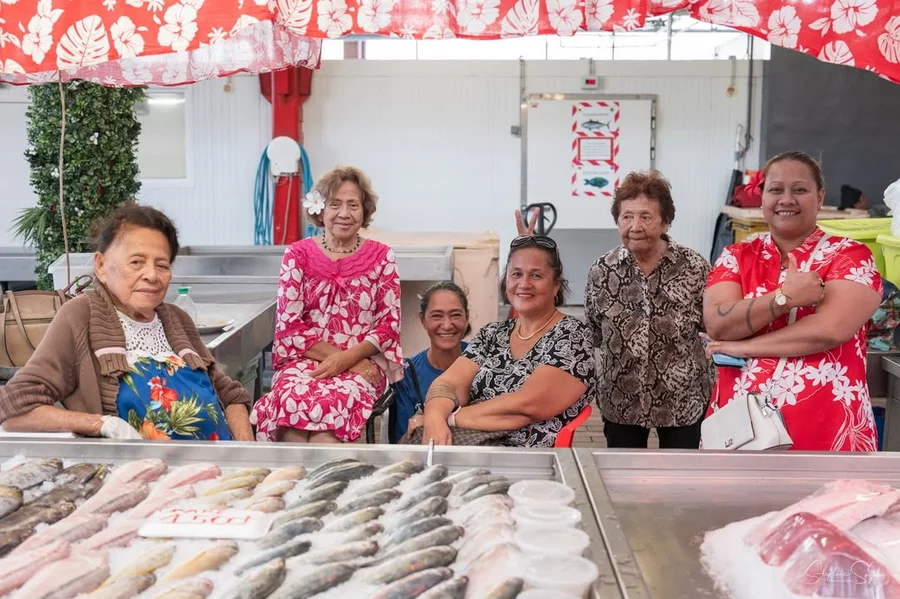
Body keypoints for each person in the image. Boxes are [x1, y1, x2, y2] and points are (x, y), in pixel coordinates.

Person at [0, 204, 253, 441]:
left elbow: (230, 396)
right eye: (136, 262)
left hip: (219, 468)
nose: (152, 275)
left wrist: (245, 451)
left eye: (162, 265)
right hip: (140, 471)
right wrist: (101, 423)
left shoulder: (177, 319)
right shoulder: (80, 316)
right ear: (101, 265)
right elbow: (14, 409)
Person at [704, 151, 882, 452]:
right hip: (739, 429)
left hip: (828, 427)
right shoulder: (736, 256)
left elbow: (829, 330)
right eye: (776, 189)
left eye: (799, 189)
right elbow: (718, 324)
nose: (787, 199)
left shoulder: (850, 255)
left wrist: (745, 347)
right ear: (762, 197)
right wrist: (783, 299)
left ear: (819, 196)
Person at [251, 166, 403, 443]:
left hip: (362, 363)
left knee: (331, 413)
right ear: (320, 209)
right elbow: (290, 327)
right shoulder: (297, 255)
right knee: (289, 402)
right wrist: (341, 360)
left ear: (365, 211)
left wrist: (350, 360)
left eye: (353, 205)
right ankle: (294, 471)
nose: (344, 213)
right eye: (335, 204)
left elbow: (388, 326)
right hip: (305, 362)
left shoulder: (383, 257)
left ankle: (323, 470)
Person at [415, 236, 594, 448]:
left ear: (556, 285)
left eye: (536, 275)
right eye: (516, 274)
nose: (524, 284)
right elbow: (448, 384)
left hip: (526, 459)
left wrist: (450, 418)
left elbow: (526, 406)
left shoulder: (572, 336)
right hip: (470, 449)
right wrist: (434, 417)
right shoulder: (493, 333)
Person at [582, 170, 714, 449]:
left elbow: (711, 326)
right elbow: (595, 330)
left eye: (646, 216)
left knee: (680, 473)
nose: (635, 226)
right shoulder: (602, 271)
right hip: (621, 398)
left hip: (683, 399)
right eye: (627, 217)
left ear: (666, 221)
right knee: (623, 473)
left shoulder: (694, 267)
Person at [390, 281, 470, 444]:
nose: (447, 325)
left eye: (455, 315)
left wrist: (433, 419)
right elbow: (402, 441)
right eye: (437, 316)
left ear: (466, 317)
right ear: (423, 319)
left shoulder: (485, 362)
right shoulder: (407, 374)